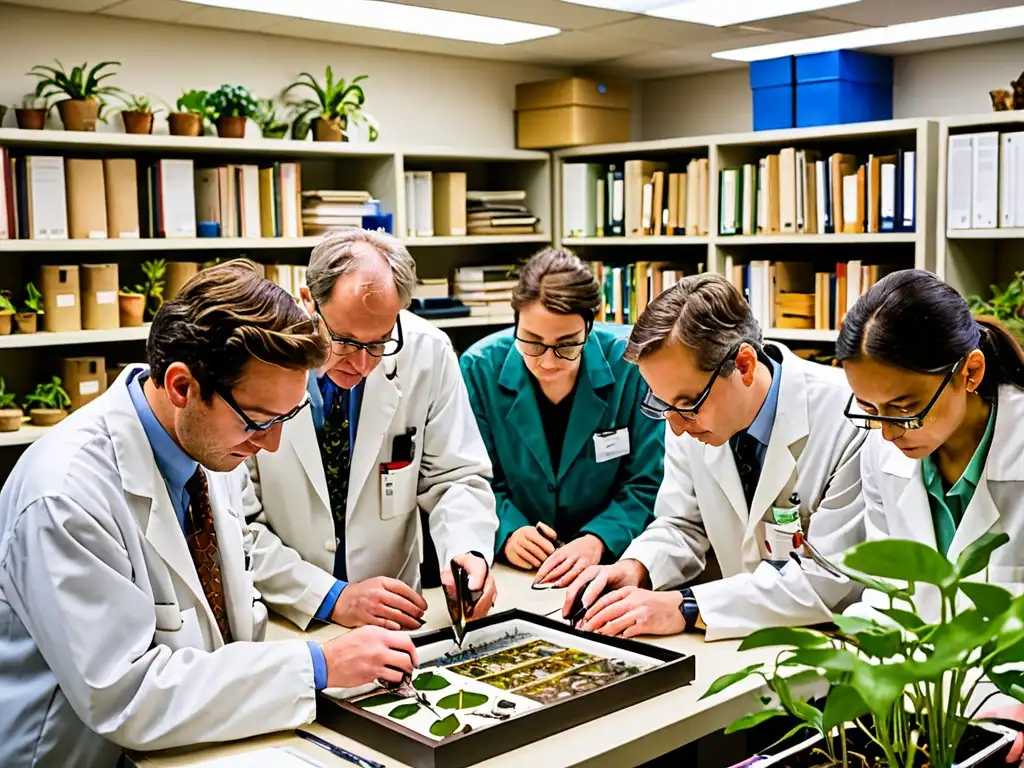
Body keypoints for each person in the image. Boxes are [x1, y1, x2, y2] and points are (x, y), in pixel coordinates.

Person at [0, 260, 418, 768]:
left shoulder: (207, 444)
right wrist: (317, 665)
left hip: (199, 744)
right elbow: (126, 695)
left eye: (287, 417)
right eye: (260, 421)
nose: (271, 444)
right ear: (181, 386)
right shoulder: (65, 495)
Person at [563, 273, 867, 641]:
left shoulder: (849, 418)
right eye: (662, 404)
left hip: (831, 644)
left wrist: (687, 606)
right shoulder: (690, 414)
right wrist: (636, 566)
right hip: (741, 642)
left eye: (687, 405)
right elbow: (682, 524)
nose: (674, 427)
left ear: (743, 365)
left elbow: (826, 578)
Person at [247, 229, 498, 633]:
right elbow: (240, 523)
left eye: (380, 342)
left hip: (396, 614)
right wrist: (330, 596)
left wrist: (467, 551)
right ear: (309, 301)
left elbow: (456, 478)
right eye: (345, 341)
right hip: (291, 616)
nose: (363, 364)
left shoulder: (428, 352)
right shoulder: (259, 360)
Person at [834, 269, 1024, 764]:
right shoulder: (883, 457)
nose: (886, 432)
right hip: (929, 713)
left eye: (905, 407)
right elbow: (887, 593)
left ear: (971, 373)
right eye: (869, 409)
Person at [460, 248, 663, 587]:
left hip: (608, 567)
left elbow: (649, 481)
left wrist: (598, 539)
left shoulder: (634, 365)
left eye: (567, 345)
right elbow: (471, 478)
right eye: (532, 342)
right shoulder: (478, 368)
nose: (548, 362)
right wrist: (509, 530)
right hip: (515, 573)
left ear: (590, 324)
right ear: (515, 322)